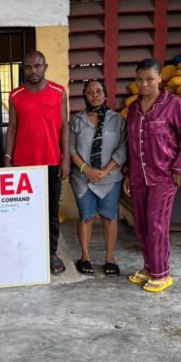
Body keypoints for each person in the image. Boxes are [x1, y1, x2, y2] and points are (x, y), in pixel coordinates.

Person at [123, 58, 181, 293]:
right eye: (139, 80)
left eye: (149, 79)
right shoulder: (134, 108)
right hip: (138, 176)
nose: (144, 84)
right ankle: (149, 267)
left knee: (156, 225)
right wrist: (128, 174)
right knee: (141, 224)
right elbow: (131, 145)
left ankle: (162, 273)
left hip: (163, 177)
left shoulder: (174, 105)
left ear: (160, 78)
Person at [5, 50, 70, 275]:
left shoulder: (59, 92)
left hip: (51, 162)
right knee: (25, 211)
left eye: (37, 66)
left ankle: (51, 253)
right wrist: (7, 158)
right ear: (23, 69)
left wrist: (66, 158)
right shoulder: (15, 95)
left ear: (45, 67)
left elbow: (64, 126)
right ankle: (27, 252)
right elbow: (12, 127)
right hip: (23, 164)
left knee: (51, 211)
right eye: (28, 67)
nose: (33, 71)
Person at [69, 80, 127, 277]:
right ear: (85, 96)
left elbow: (123, 148)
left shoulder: (118, 120)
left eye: (99, 91)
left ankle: (110, 258)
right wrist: (86, 170)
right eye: (90, 92)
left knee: (109, 217)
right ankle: (85, 257)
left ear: (105, 94)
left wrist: (105, 170)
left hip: (110, 177)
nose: (95, 95)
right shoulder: (76, 121)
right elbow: (70, 148)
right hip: (82, 178)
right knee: (87, 217)